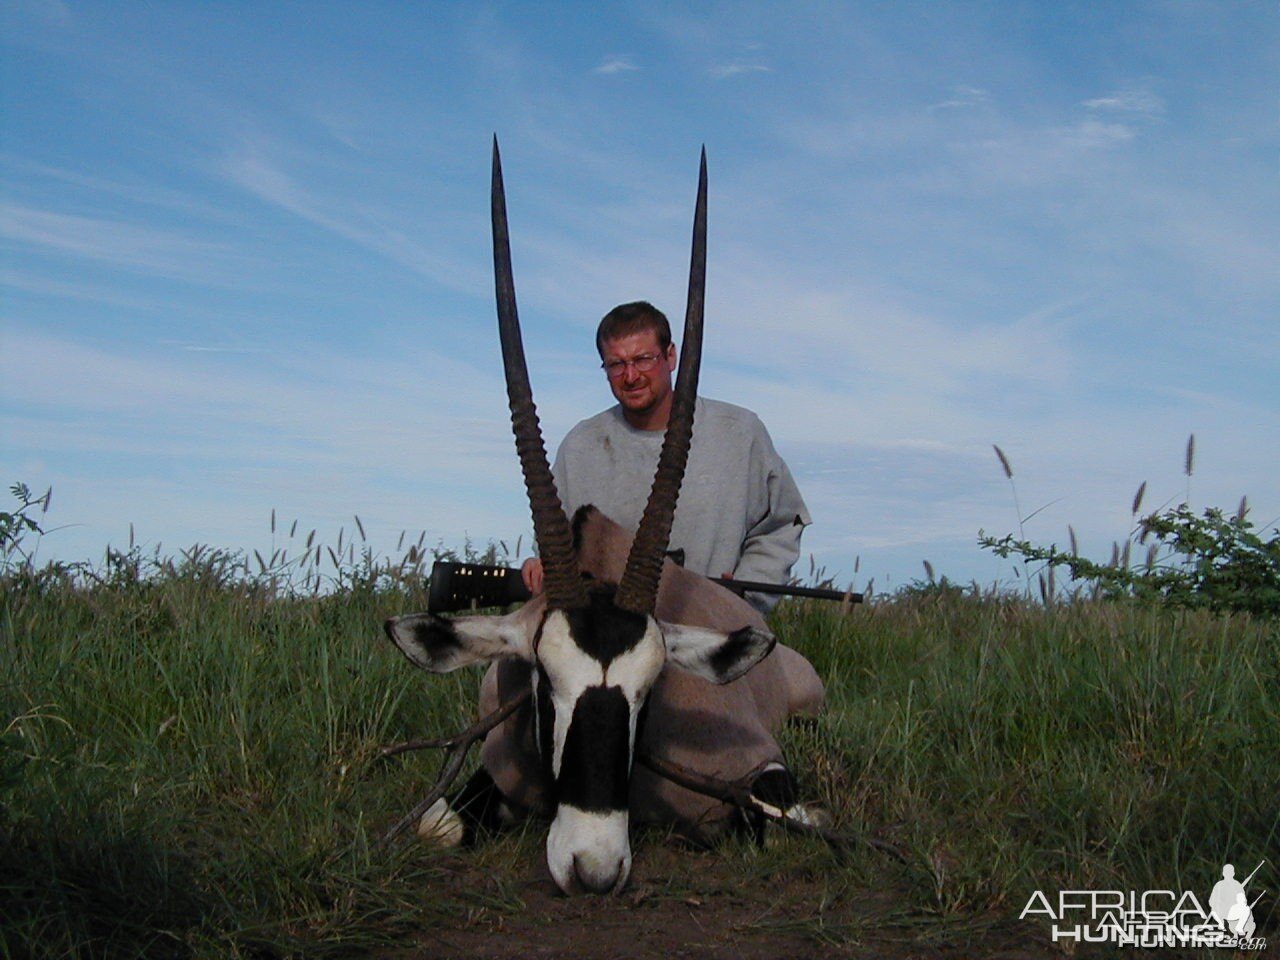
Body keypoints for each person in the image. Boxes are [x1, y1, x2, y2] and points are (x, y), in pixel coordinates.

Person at [521, 300, 809, 611]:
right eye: (616, 364)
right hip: (605, 635)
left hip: (710, 626)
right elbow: (555, 543)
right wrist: (543, 568)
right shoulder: (579, 446)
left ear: (670, 356)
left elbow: (781, 525)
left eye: (643, 359)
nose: (631, 376)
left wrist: (747, 596)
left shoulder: (740, 433)